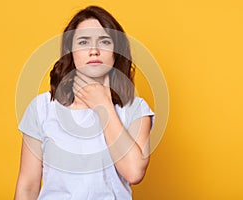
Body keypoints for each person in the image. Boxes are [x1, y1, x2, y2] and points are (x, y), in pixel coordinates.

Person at [14, 5, 155, 200]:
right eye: (83, 42)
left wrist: (103, 105)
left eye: (105, 42)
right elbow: (28, 187)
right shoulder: (42, 108)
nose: (94, 51)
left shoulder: (135, 109)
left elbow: (133, 172)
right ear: (70, 52)